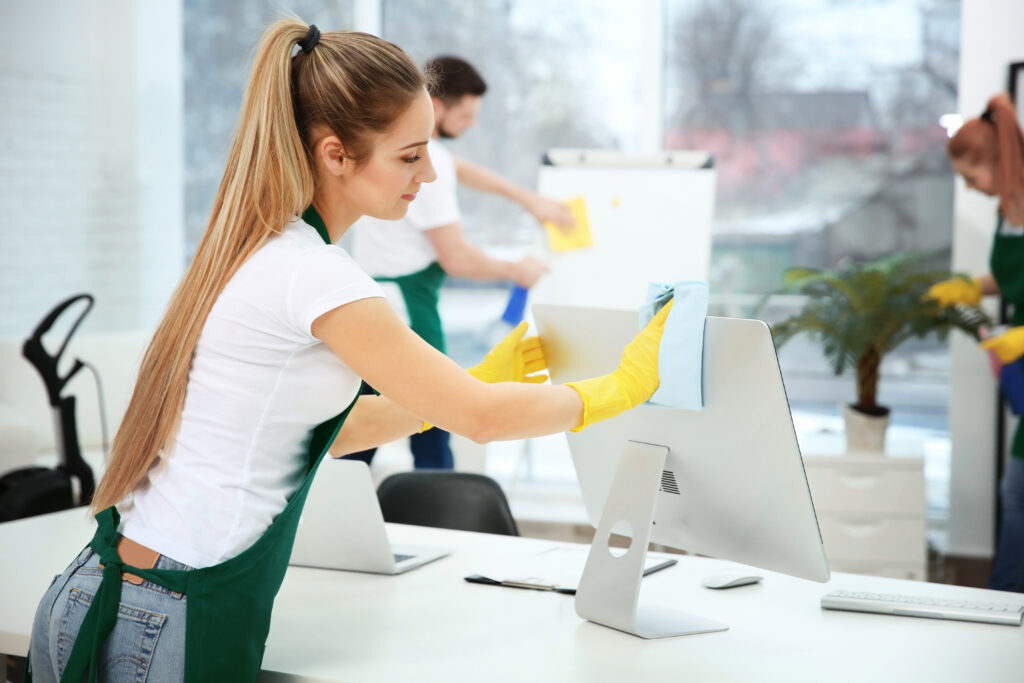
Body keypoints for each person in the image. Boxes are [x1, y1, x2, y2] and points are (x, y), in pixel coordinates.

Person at [27, 20, 671, 682]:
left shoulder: (252, 249)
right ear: (336, 154)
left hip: (100, 586)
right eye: (410, 155)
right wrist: (620, 386)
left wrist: (467, 381)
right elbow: (485, 419)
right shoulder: (318, 276)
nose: (426, 173)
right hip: (168, 610)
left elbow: (336, 428)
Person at [347, 55, 575, 470]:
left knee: (368, 426)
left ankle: (335, 511)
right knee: (430, 421)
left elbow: (465, 171)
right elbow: (456, 258)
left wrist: (528, 200)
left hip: (379, 299)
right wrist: (515, 269)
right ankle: (435, 522)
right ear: (436, 107)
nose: (471, 124)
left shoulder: (411, 154)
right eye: (466, 115)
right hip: (406, 309)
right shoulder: (424, 167)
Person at [927, 92, 1024, 592]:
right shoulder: (1009, 213)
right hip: (1020, 373)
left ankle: (1006, 609)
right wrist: (970, 286)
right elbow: (1014, 278)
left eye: (971, 176)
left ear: (1000, 161)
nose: (969, 187)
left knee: (1018, 495)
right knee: (1017, 495)